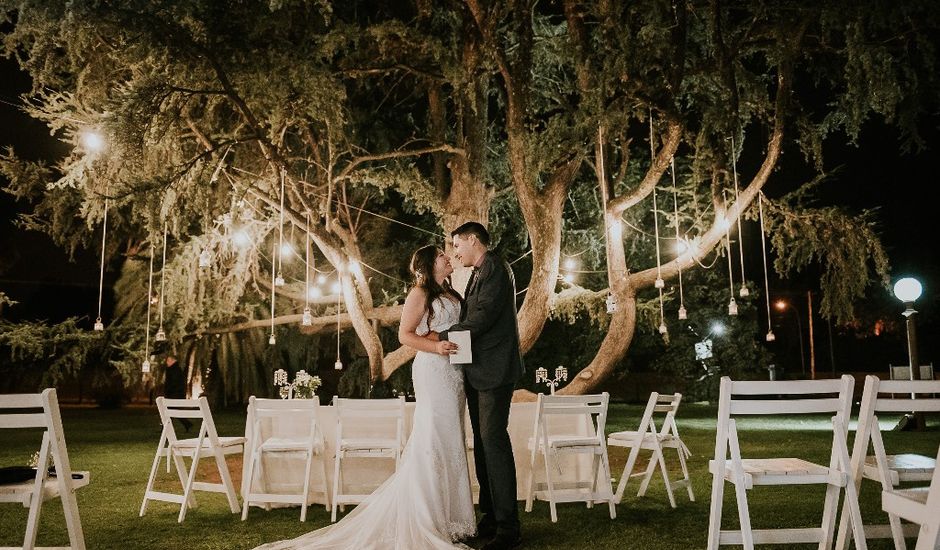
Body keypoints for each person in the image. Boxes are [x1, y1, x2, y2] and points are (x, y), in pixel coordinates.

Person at [253, 245, 474, 550]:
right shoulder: (419, 293)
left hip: (455, 373)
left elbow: (449, 329)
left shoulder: (451, 292)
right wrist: (436, 347)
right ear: (427, 264)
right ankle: (427, 518)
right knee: (433, 440)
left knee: (451, 439)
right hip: (433, 371)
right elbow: (405, 335)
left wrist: (447, 342)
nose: (448, 257)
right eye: (441, 256)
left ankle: (452, 520)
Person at [432, 222, 525, 550]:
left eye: (457, 244)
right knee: (484, 446)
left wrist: (440, 337)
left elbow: (482, 318)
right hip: (478, 372)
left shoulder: (495, 268)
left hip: (495, 372)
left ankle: (508, 528)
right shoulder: (479, 271)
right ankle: (490, 516)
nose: (455, 251)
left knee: (494, 442)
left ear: (473, 240)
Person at [163, 353, 192, 432]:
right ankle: (186, 424)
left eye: (169, 360)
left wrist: (168, 390)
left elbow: (173, 382)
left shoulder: (174, 370)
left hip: (174, 394)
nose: (167, 362)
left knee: (170, 411)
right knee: (172, 411)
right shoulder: (174, 369)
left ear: (173, 361)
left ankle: (165, 427)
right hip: (174, 394)